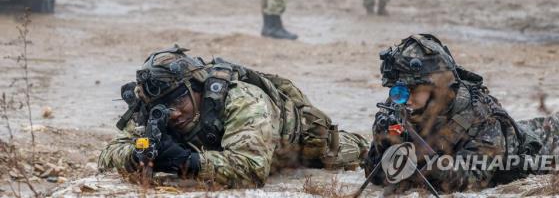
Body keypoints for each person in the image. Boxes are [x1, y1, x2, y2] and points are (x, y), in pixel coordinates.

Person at [98, 46, 368, 188]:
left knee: (343, 150)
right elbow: (109, 154)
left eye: (179, 100)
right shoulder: (154, 109)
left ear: (197, 87)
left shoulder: (242, 100)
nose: (175, 113)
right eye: (165, 107)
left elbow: (251, 169)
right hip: (227, 149)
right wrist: (137, 155)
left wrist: (186, 161)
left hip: (297, 144)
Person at [363, 34, 559, 194]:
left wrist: (421, 162)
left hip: (529, 150)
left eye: (410, 91)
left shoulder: (480, 116)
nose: (402, 99)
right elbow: (374, 173)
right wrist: (382, 145)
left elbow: (474, 178)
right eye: (396, 91)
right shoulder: (401, 106)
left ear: (437, 88)